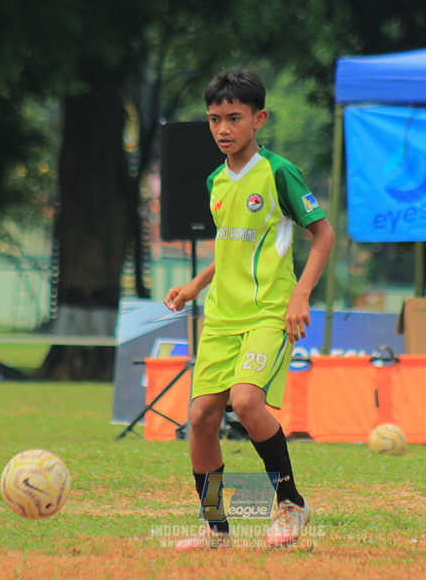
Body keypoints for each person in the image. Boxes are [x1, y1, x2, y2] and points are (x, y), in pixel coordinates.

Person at [163, 69, 335, 550]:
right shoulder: (216, 180)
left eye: (234, 118)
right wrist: (196, 284)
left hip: (268, 312)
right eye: (214, 119)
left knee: (246, 401)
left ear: (258, 119)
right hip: (221, 316)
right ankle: (216, 526)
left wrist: (300, 295)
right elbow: (230, 246)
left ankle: (290, 504)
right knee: (200, 419)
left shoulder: (279, 171)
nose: (223, 129)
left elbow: (323, 234)